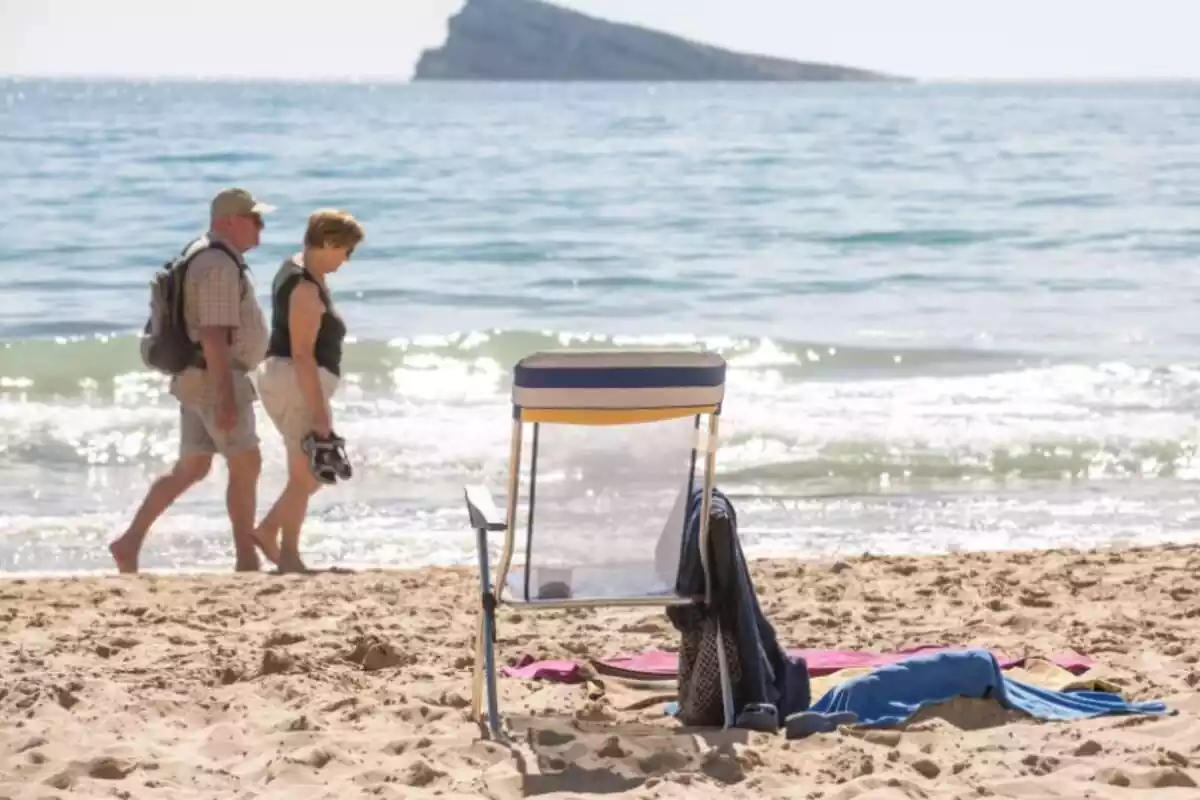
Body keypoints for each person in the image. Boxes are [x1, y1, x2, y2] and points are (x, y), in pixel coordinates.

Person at [110, 188, 273, 573]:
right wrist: (226, 396)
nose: (261, 228)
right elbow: (214, 335)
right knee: (246, 463)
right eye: (255, 219)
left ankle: (129, 542)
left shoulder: (202, 253)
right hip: (215, 376)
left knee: (192, 468)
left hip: (196, 376)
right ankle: (246, 556)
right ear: (229, 222)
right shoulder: (217, 263)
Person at [252, 209, 364, 573]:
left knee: (304, 472)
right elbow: (301, 354)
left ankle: (285, 550)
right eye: (346, 252)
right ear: (329, 243)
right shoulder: (304, 288)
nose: (347, 261)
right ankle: (273, 537)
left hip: (290, 380)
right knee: (309, 474)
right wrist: (320, 415)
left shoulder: (298, 269)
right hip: (297, 382)